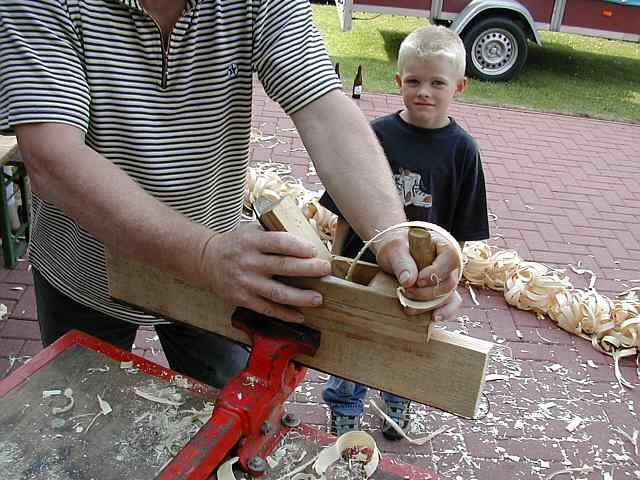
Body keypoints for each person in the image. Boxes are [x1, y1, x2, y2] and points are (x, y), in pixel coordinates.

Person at [0, 1, 461, 390]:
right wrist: (203, 255)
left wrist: (393, 238)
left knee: (229, 417)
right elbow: (52, 158)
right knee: (79, 414)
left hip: (217, 273)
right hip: (86, 264)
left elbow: (323, 110)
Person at [321, 25, 490, 439]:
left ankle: (398, 399)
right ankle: (345, 405)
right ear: (398, 81)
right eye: (413, 81)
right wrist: (336, 260)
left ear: (460, 86)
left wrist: (448, 276)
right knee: (354, 340)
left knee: (407, 343)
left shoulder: (463, 151)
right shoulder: (376, 135)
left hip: (420, 277)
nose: (424, 92)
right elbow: (345, 205)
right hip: (364, 265)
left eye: (437, 83)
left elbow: (460, 231)